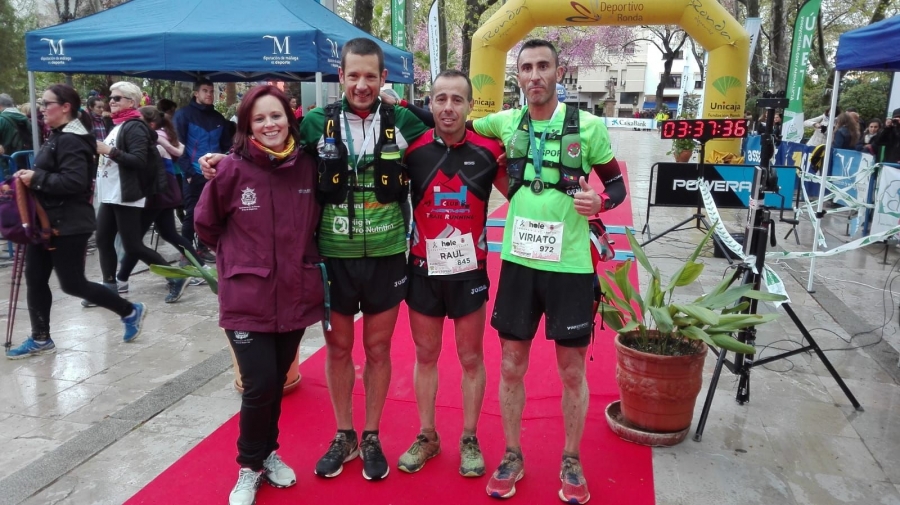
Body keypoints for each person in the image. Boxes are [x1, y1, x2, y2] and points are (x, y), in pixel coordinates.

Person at [201, 37, 430, 482]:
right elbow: (270, 154)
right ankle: (344, 434)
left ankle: (371, 436)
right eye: (353, 75)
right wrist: (222, 162)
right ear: (340, 77)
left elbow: (445, 147)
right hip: (332, 259)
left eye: (370, 76)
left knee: (378, 349)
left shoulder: (403, 121)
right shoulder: (316, 124)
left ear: (384, 78)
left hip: (386, 255)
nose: (361, 84)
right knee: (340, 349)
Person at [470, 39, 626, 504]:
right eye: (526, 68)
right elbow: (451, 123)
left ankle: (571, 459)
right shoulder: (504, 122)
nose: (534, 75)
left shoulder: (590, 127)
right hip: (519, 263)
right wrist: (395, 106)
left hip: (572, 266)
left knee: (572, 371)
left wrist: (601, 201)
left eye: (543, 66)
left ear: (560, 72)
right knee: (512, 365)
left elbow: (615, 183)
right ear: (517, 77)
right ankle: (512, 454)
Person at [194, 84, 324, 505]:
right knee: (260, 384)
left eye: (277, 116)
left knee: (274, 382)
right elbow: (206, 225)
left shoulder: (307, 166)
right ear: (247, 125)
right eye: (260, 118)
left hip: (294, 294)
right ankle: (248, 467)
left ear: (290, 119)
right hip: (246, 297)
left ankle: (268, 454)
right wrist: (239, 259)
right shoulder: (230, 170)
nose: (270, 125)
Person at [395, 70, 506, 477]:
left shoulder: (491, 150)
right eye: (440, 98)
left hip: (469, 271)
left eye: (457, 100)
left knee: (471, 358)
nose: (447, 107)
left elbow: (523, 194)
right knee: (426, 356)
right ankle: (428, 435)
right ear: (430, 102)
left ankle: (469, 438)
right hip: (423, 268)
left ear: (471, 105)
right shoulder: (413, 149)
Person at [6, 84, 146, 359]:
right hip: (47, 221)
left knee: (72, 283)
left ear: (65, 107)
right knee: (34, 278)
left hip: (68, 224)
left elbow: (75, 181)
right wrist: (31, 176)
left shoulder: (71, 139)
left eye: (47, 104)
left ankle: (129, 311)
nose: (42, 108)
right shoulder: (59, 135)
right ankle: (41, 337)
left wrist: (37, 179)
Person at [92, 81, 173, 301]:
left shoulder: (135, 126)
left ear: (131, 101)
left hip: (126, 194)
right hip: (111, 193)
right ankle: (109, 287)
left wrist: (109, 150)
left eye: (116, 98)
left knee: (133, 246)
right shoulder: (118, 125)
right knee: (102, 240)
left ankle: (176, 277)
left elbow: (138, 160)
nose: (111, 101)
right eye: (110, 97)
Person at [115, 106, 197, 302]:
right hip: (162, 193)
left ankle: (121, 279)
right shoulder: (156, 135)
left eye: (138, 118)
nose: (133, 120)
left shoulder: (154, 138)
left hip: (158, 194)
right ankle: (199, 266)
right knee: (168, 234)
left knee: (135, 241)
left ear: (150, 123)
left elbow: (152, 163)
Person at [173, 78, 233, 264]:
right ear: (196, 93)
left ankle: (204, 247)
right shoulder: (183, 115)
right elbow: (177, 146)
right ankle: (188, 254)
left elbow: (227, 146)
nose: (209, 94)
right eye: (205, 90)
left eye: (211, 91)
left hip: (214, 174)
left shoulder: (218, 118)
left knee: (213, 213)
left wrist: (223, 166)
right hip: (193, 174)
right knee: (191, 215)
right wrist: (189, 173)